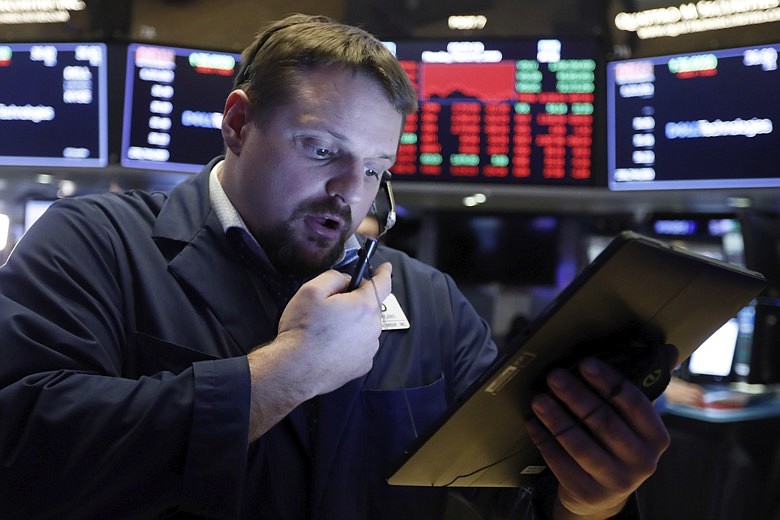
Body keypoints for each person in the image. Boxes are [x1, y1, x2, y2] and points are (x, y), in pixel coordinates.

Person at [0, 14, 676, 519]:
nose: (350, 193)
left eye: (376, 168)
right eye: (322, 150)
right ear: (238, 123)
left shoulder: (430, 301)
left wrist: (591, 499)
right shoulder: (97, 242)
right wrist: (283, 373)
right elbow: (23, 451)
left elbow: (511, 495)